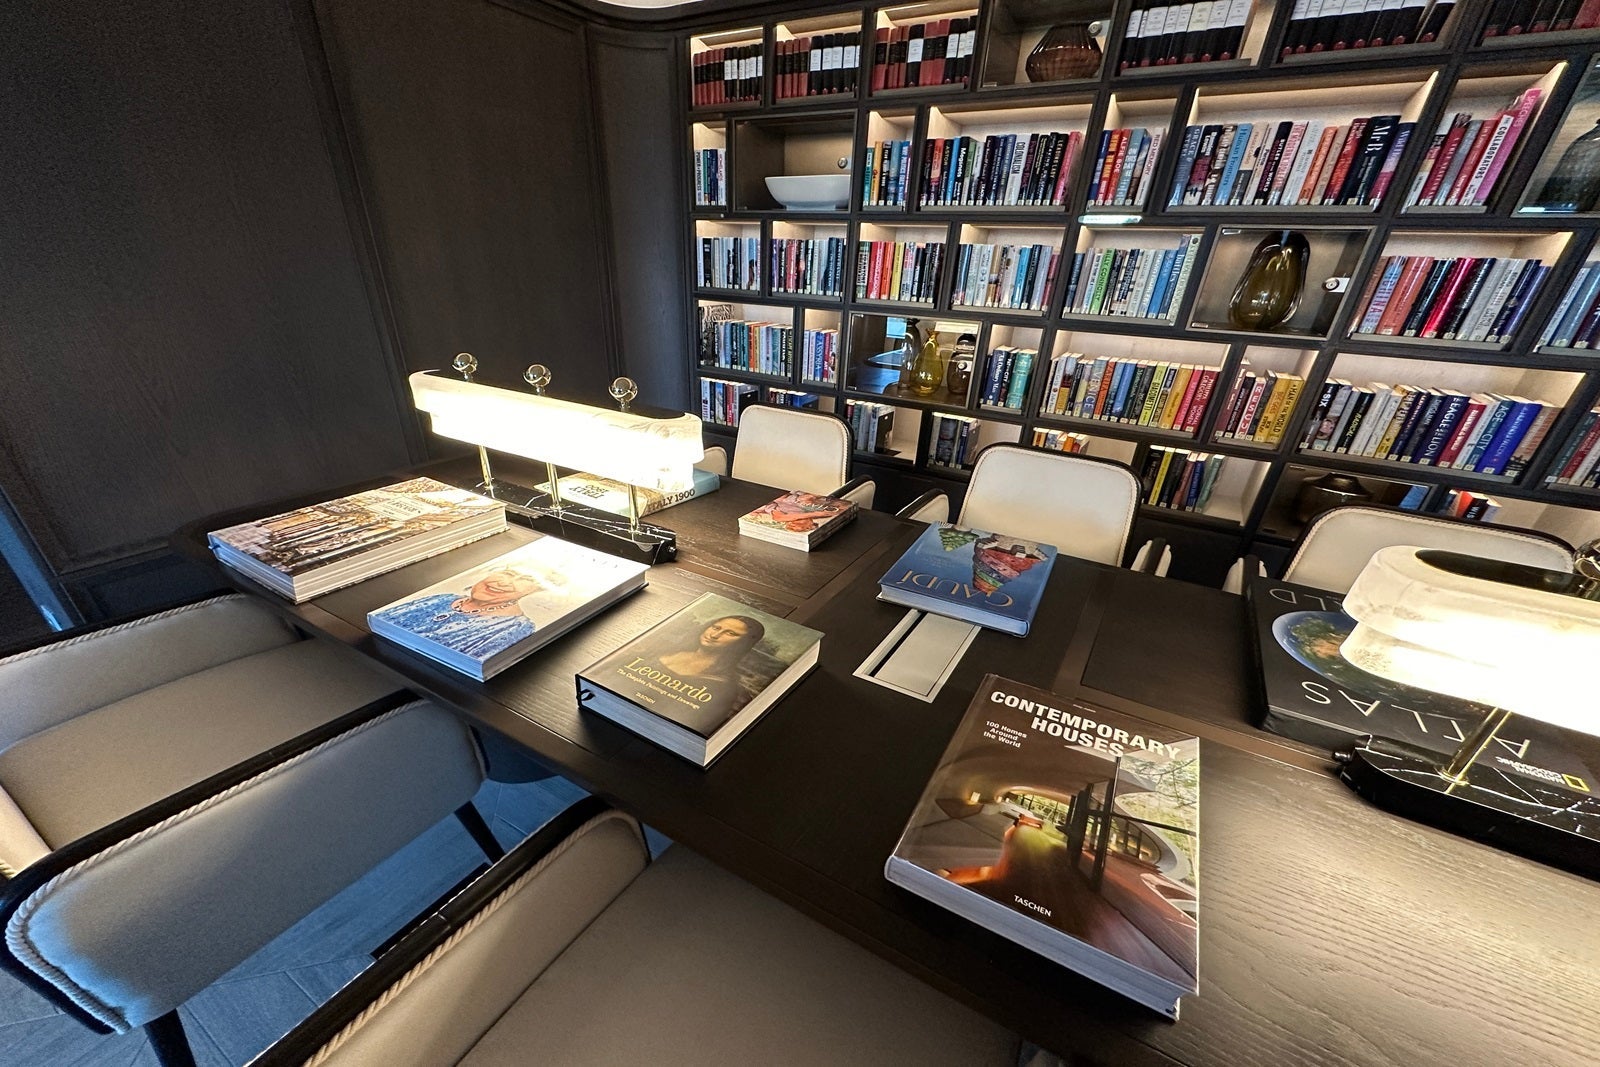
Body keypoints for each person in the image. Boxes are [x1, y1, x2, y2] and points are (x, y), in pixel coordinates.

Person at [374, 566, 566, 660]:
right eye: (508, 573)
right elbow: (385, 619)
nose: (504, 583)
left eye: (525, 579)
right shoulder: (444, 598)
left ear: (535, 591)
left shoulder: (516, 627)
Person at [655, 614, 766, 685]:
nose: (714, 635)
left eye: (730, 633)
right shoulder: (667, 650)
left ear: (744, 642)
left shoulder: (721, 682)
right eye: (716, 628)